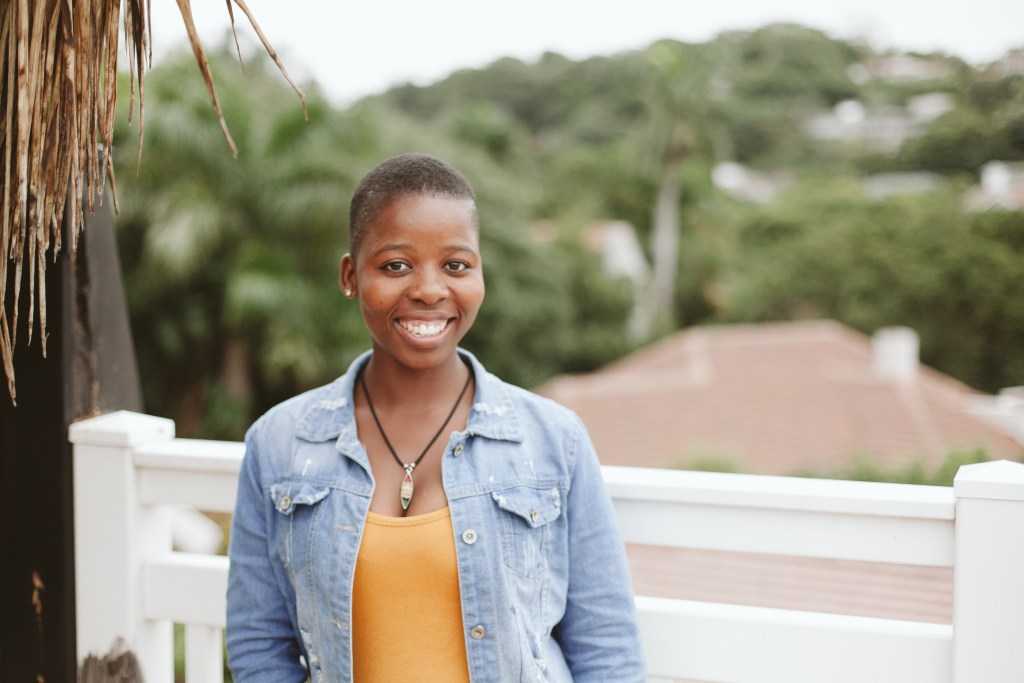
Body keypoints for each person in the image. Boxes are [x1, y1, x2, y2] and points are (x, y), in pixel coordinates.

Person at [226, 153, 646, 682]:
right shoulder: (280, 443)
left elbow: (607, 648)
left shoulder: (553, 440)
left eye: (456, 265)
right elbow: (259, 645)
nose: (429, 289)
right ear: (351, 276)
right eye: (396, 265)